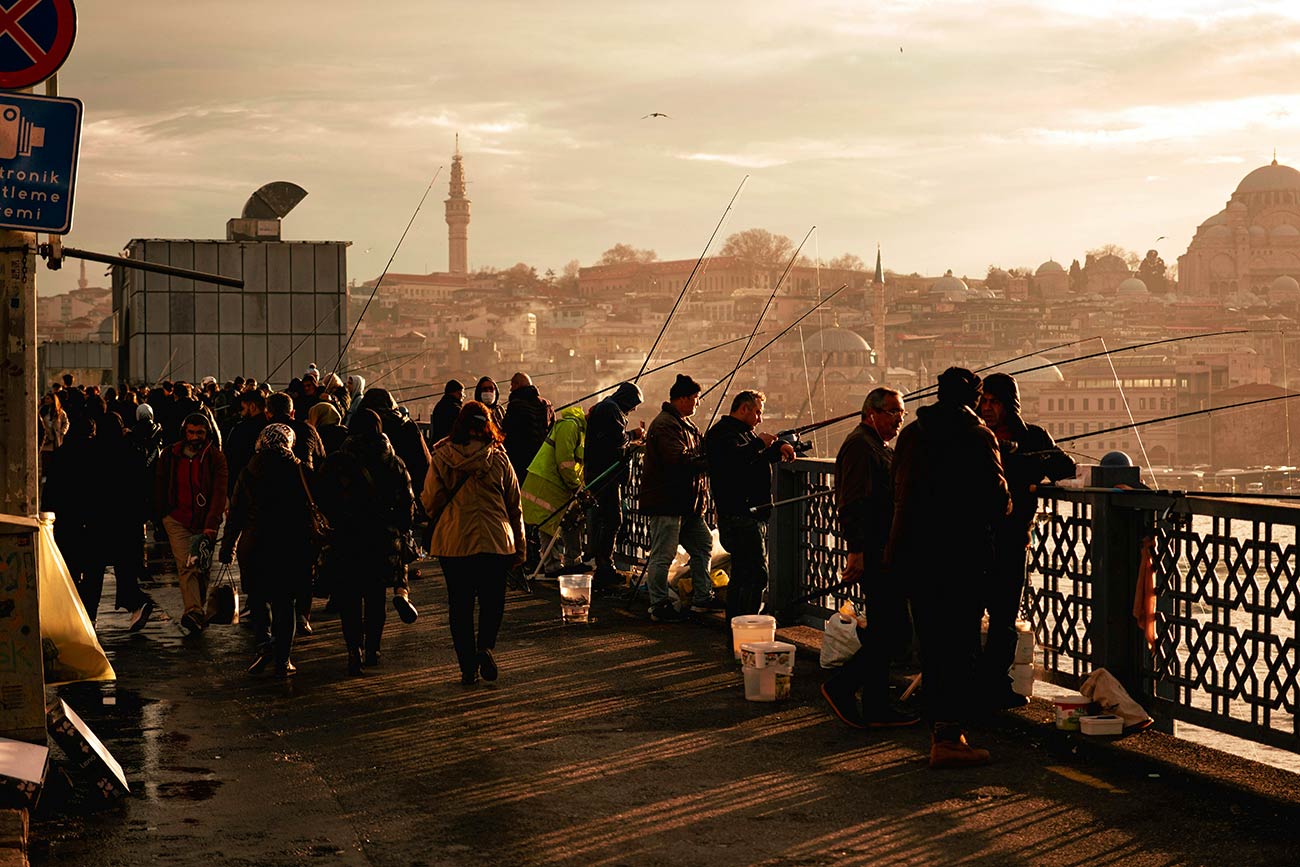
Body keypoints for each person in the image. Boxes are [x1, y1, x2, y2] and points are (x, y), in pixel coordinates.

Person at [887, 368, 1010, 769]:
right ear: (974, 399)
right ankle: (950, 737)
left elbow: (896, 486)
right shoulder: (978, 436)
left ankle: (939, 732)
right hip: (962, 558)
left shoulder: (911, 435)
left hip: (915, 555)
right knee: (960, 647)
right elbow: (998, 499)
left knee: (933, 645)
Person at [977, 372, 1076, 708]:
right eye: (983, 401)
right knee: (970, 612)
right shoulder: (972, 434)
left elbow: (1065, 466)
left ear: (1009, 404)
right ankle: (970, 681)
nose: (987, 408)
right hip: (973, 538)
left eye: (994, 402)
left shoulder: (1031, 436)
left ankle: (994, 683)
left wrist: (1029, 459)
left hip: (1013, 536)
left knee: (1004, 615)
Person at [821, 387, 918, 729]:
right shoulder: (861, 446)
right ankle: (843, 685)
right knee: (891, 632)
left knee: (885, 629)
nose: (898, 419)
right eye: (893, 412)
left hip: (885, 550)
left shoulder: (876, 445)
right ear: (871, 413)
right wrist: (856, 551)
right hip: (875, 551)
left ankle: (876, 704)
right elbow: (853, 502)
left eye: (901, 414)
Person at [422, 402, 526, 685]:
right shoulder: (501, 459)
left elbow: (430, 500)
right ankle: (485, 648)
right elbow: (515, 506)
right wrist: (520, 546)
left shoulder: (442, 457)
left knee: (460, 605)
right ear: (488, 425)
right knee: (493, 601)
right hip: (496, 540)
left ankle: (467, 667)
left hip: (454, 542)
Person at [315, 410, 415, 675]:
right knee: (374, 597)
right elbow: (407, 504)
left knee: (349, 596)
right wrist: (399, 529)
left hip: (347, 536)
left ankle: (353, 650)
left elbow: (321, 495)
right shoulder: (393, 462)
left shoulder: (338, 461)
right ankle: (373, 649)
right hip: (381, 538)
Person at [219, 424, 315, 677]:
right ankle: (283, 659)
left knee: (259, 600)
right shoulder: (301, 470)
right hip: (292, 546)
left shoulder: (249, 471)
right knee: (285, 604)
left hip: (255, 545)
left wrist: (227, 546)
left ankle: (264, 645)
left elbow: (236, 515)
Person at [704, 390, 794, 620]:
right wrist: (757, 444)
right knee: (755, 575)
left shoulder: (743, 434)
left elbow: (752, 462)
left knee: (744, 575)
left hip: (750, 515)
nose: (759, 418)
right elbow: (733, 463)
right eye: (757, 412)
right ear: (743, 408)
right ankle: (745, 626)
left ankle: (738, 627)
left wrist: (778, 447)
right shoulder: (722, 434)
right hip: (740, 515)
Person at [640, 374, 717, 622]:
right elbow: (678, 461)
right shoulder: (666, 425)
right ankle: (659, 604)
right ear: (682, 398)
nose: (697, 403)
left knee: (703, 545)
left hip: (688, 505)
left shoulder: (685, 424)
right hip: (668, 503)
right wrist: (709, 463)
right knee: (663, 555)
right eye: (695, 398)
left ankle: (702, 597)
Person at [155, 412, 229, 634]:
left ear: (207, 434)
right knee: (187, 565)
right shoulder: (170, 454)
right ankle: (193, 610)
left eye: (200, 432)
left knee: (202, 567)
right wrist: (162, 513)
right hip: (176, 518)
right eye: (191, 432)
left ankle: (198, 611)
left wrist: (211, 525)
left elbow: (219, 493)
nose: (195, 436)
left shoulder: (215, 458)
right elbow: (159, 482)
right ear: (184, 432)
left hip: (205, 521)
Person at [584, 382, 644, 590]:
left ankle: (602, 564)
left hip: (599, 472)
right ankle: (604, 567)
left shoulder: (608, 407)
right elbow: (616, 440)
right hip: (604, 474)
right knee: (612, 519)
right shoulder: (610, 410)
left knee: (606, 518)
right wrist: (634, 436)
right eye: (634, 403)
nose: (634, 408)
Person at [520, 405, 587, 576]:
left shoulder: (579, 430)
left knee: (570, 520)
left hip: (558, 483)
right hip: (547, 481)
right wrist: (574, 484)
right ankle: (552, 566)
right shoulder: (570, 426)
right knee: (548, 523)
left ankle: (572, 561)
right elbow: (564, 461)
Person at [502, 372, 554, 572]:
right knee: (539, 511)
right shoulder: (546, 405)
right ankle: (541, 558)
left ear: (516, 385)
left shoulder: (515, 406)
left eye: (511, 386)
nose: (509, 390)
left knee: (520, 511)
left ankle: (525, 555)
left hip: (519, 465)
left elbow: (506, 434)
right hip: (542, 467)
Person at [224, 390, 269, 495]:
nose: (241, 412)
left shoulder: (240, 429)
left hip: (243, 486)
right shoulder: (271, 427)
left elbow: (231, 459)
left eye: (243, 408)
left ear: (252, 406)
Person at [427, 379, 464, 446]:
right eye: (461, 392)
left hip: (437, 443)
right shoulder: (456, 409)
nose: (462, 396)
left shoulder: (439, 405)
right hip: (450, 446)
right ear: (455, 392)